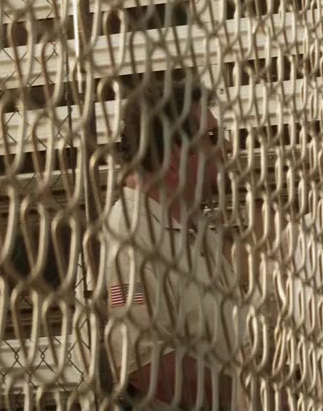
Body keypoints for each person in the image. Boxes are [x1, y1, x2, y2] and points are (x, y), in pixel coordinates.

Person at [100, 76, 239, 408]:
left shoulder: (197, 232)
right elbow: (148, 367)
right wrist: (250, 393)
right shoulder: (129, 233)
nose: (226, 147)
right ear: (176, 152)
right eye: (211, 137)